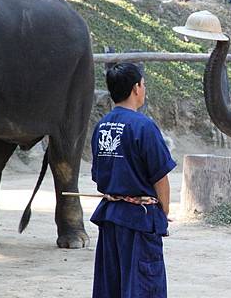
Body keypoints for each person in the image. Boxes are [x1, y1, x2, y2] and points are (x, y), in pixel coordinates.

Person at [91, 63, 175, 298]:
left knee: (112, 287)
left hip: (111, 217)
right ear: (136, 88)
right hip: (140, 220)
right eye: (143, 84)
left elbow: (98, 175)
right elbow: (160, 177)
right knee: (143, 287)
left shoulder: (102, 126)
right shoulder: (144, 126)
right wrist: (163, 210)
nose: (144, 89)